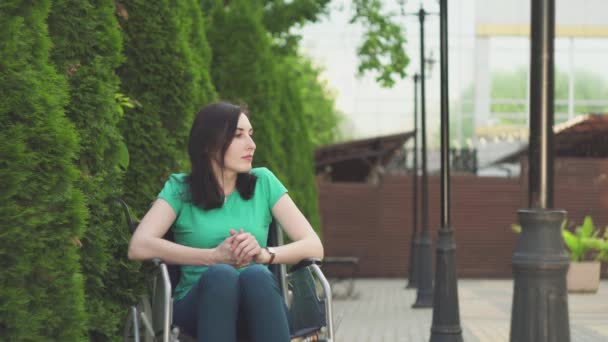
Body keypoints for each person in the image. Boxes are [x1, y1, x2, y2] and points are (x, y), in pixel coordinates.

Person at [127, 102, 324, 342]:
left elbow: (314, 246)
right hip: (197, 305)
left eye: (250, 135)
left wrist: (264, 254)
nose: (251, 144)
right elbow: (139, 246)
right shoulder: (180, 189)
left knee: (257, 275)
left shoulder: (264, 183)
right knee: (221, 274)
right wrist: (213, 256)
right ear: (209, 143)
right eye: (238, 135)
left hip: (259, 303)